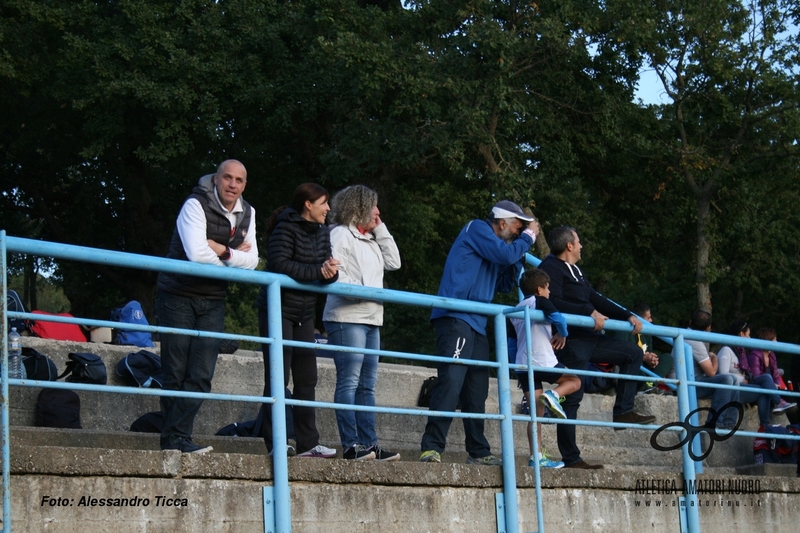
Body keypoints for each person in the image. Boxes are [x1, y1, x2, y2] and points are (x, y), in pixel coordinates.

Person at [419, 200, 538, 465]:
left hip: (478, 322)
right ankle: (432, 447)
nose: (520, 230)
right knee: (451, 381)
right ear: (503, 221)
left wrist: (517, 258)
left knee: (477, 390)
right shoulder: (478, 229)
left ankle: (478, 451)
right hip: (455, 318)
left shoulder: (499, 249)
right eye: (518, 225)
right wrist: (527, 240)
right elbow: (504, 255)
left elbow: (506, 283)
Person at [156, 159, 259, 453]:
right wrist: (233, 256)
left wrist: (222, 249)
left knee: (201, 374)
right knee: (175, 371)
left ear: (244, 185)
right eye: (227, 178)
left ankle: (176, 438)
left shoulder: (248, 213)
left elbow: (252, 263)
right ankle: (174, 440)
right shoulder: (194, 205)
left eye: (239, 180)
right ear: (216, 179)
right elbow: (197, 255)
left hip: (213, 300)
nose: (232, 184)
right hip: (177, 295)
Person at [539, 226, 655, 469]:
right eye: (579, 241)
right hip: (572, 342)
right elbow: (553, 301)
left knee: (633, 353)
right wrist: (588, 312)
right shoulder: (550, 267)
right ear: (569, 246)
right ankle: (571, 458)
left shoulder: (577, 270)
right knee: (573, 398)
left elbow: (594, 297)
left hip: (592, 339)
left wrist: (628, 315)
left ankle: (623, 411)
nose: (581, 246)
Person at [256, 183, 340, 459]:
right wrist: (317, 271)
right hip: (277, 309)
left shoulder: (323, 231)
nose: (328, 209)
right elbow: (279, 265)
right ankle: (277, 443)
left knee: (308, 379)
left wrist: (330, 273)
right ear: (308, 205)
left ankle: (308, 444)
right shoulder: (284, 227)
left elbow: (326, 270)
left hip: (304, 313)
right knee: (279, 378)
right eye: (324, 203)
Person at [322, 185, 402, 462]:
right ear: (358, 209)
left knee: (367, 385)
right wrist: (366, 291)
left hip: (372, 319)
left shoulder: (372, 238)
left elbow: (394, 263)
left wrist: (381, 229)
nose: (378, 212)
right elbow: (337, 276)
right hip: (347, 318)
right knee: (349, 382)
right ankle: (351, 445)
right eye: (373, 207)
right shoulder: (340, 234)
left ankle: (370, 444)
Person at [510, 269, 581, 469]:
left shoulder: (516, 308)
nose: (549, 292)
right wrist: (562, 333)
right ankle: (554, 395)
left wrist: (516, 367)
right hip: (542, 360)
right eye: (548, 288)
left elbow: (511, 342)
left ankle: (536, 457)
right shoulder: (539, 301)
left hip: (523, 365)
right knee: (575, 380)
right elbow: (558, 318)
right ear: (540, 289)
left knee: (536, 414)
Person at [717, 320, 795, 426]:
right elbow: (723, 376)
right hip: (734, 390)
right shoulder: (727, 350)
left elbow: (775, 373)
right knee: (766, 380)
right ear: (741, 334)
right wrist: (741, 378)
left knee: (766, 390)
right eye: (748, 335)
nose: (750, 338)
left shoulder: (740, 351)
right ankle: (777, 405)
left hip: (744, 385)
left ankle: (765, 427)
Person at [684, 310, 741, 430]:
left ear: (690, 321)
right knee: (727, 379)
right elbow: (711, 372)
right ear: (708, 328)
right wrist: (714, 358)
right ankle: (714, 422)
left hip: (691, 381)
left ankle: (729, 423)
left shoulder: (687, 335)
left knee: (733, 380)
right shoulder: (694, 341)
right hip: (687, 384)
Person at [748, 327, 796, 412]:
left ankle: (794, 423)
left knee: (789, 396)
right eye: (775, 340)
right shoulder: (754, 355)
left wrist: (776, 383)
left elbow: (776, 374)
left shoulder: (771, 355)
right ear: (768, 340)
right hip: (757, 386)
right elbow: (756, 377)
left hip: (769, 387)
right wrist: (772, 384)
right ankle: (777, 403)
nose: (777, 342)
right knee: (766, 381)